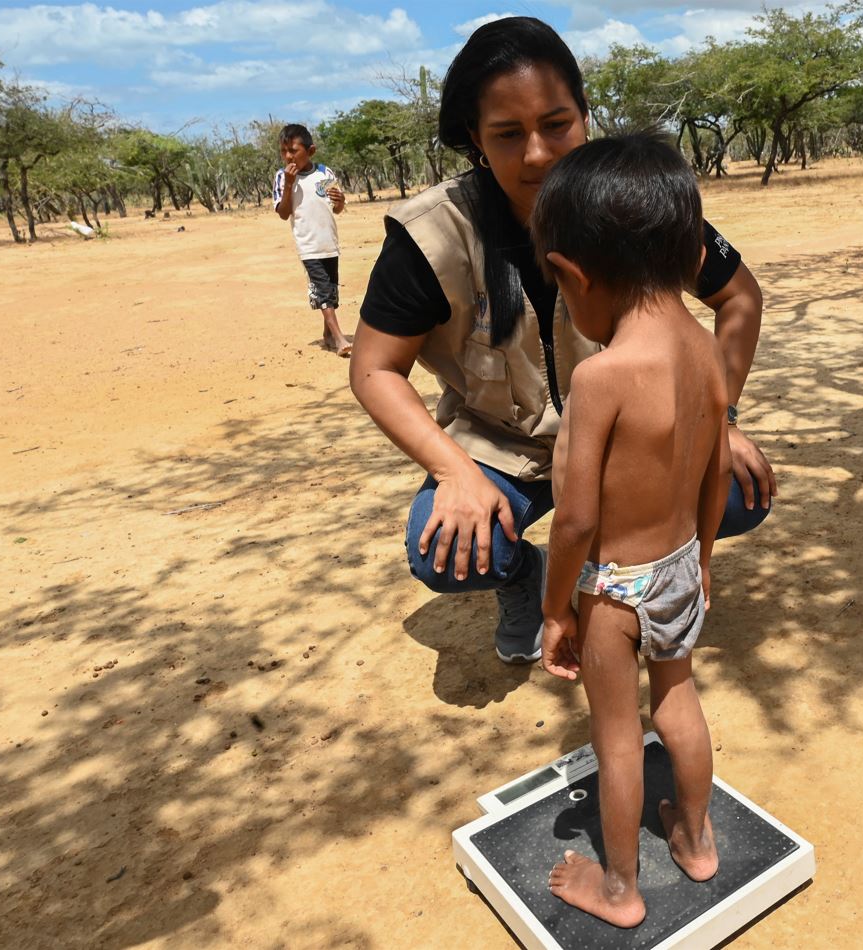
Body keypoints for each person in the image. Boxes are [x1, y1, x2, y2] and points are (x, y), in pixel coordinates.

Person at [349, 16, 776, 665]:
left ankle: (612, 578)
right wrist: (454, 472)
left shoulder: (635, 205)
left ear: (584, 113)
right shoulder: (431, 236)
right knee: (445, 552)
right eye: (507, 134)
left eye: (556, 124)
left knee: (737, 493)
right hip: (500, 447)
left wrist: (719, 414)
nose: (539, 154)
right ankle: (527, 577)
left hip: (624, 436)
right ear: (474, 138)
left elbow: (738, 296)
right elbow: (374, 369)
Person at [533, 133, 725, 929]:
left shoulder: (600, 375)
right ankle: (696, 837)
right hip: (681, 565)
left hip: (615, 588)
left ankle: (617, 889)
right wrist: (706, 559)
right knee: (677, 702)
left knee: (618, 737)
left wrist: (554, 609)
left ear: (573, 275)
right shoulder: (706, 349)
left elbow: (575, 518)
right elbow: (714, 474)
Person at [274, 124, 351, 356]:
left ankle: (327, 335)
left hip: (329, 242)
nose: (288, 156)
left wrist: (340, 200)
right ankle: (339, 339)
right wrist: (289, 184)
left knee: (331, 289)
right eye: (284, 151)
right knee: (322, 290)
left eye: (294, 150)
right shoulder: (282, 177)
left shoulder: (325, 174)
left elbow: (336, 208)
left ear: (311, 151)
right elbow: (283, 212)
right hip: (308, 244)